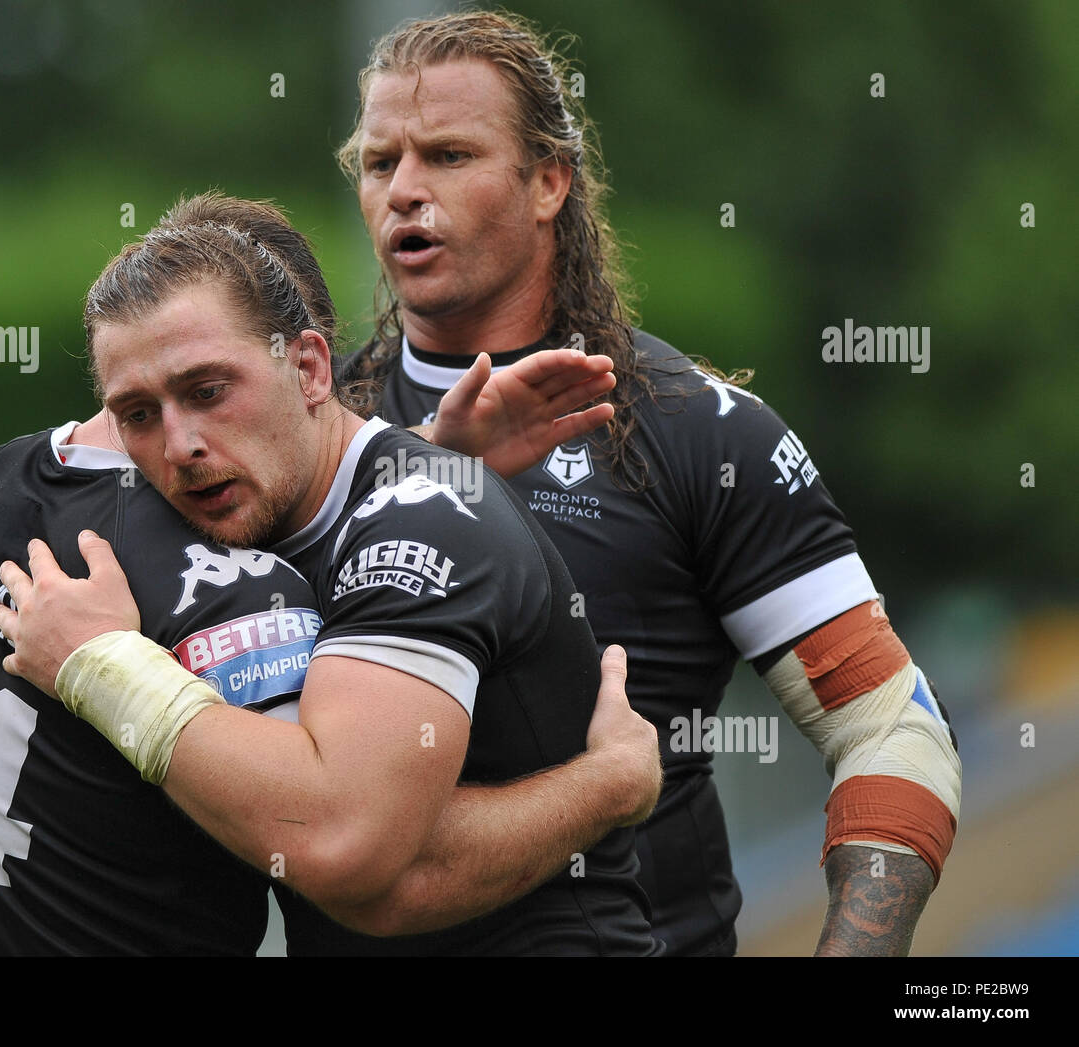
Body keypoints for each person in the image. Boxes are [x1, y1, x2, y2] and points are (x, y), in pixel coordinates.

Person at [0, 195, 661, 955]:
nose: (180, 443)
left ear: (309, 368)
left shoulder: (421, 518)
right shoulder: (210, 506)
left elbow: (348, 858)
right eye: (136, 412)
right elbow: (11, 596)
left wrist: (605, 785)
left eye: (209, 389)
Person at [332, 11, 962, 955]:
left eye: (450, 155)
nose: (406, 192)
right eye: (381, 164)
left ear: (549, 181)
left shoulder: (698, 433)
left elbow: (889, 728)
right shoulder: (304, 438)